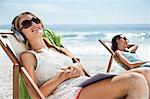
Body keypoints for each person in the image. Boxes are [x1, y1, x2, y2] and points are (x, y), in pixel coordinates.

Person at [11, 12, 150, 99]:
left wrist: (77, 66)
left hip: (83, 84)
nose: (34, 24)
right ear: (20, 34)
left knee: (146, 72)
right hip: (66, 93)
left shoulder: (57, 50)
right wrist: (62, 76)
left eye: (35, 20)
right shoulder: (28, 56)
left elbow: (81, 71)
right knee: (134, 79)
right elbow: (36, 95)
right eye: (27, 23)